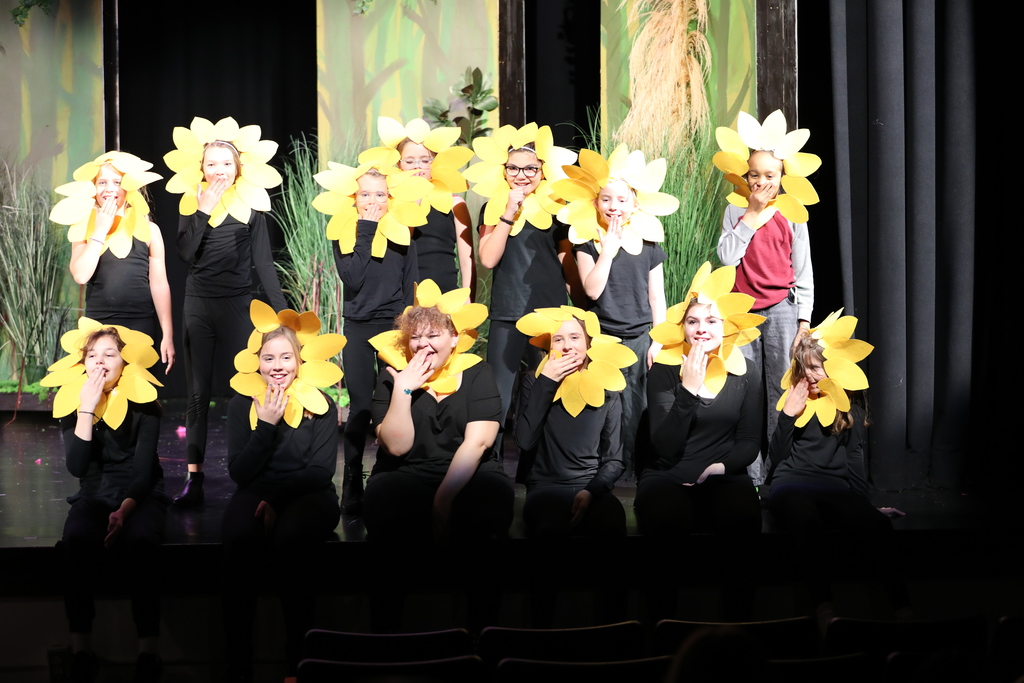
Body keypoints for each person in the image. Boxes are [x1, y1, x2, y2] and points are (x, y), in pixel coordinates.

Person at [164, 117, 289, 507]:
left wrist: (284, 318)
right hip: (199, 306)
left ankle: (251, 472)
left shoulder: (253, 207)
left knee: (246, 389)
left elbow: (264, 266)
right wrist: (203, 209)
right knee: (198, 394)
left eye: (226, 164)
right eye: (212, 164)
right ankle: (194, 478)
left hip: (238, 306)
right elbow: (185, 255)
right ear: (202, 168)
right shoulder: (191, 201)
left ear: (238, 169)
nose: (219, 170)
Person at [41, 320, 167, 683]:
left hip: (139, 495)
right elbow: (78, 467)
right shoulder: (72, 401)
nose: (100, 361)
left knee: (143, 542)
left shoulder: (145, 405)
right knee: (76, 542)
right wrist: (86, 409)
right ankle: (81, 650)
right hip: (95, 494)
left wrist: (125, 510)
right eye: (92, 355)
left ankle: (149, 654)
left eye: (109, 354)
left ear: (124, 363)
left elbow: (143, 472)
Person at [222, 304, 345, 679]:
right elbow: (239, 472)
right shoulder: (242, 403)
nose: (277, 365)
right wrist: (266, 427)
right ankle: (239, 664)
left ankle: (298, 664)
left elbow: (320, 471)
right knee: (239, 538)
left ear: (299, 361)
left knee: (293, 540)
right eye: (269, 357)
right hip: (257, 489)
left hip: (309, 494)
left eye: (286, 357)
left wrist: (275, 501)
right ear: (256, 362)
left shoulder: (319, 406)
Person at [637, 263, 765, 620]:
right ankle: (663, 626)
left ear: (726, 327)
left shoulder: (747, 371)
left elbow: (750, 440)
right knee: (666, 522)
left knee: (742, 518)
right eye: (693, 321)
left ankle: (736, 625)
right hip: (668, 474)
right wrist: (688, 391)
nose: (701, 329)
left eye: (711, 321)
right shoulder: (663, 368)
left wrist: (720, 468)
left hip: (722, 473)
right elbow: (664, 445)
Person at [767, 311, 910, 623]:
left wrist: (866, 506)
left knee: (877, 526)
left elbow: (854, 458)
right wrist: (787, 416)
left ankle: (902, 609)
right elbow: (775, 460)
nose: (811, 376)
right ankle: (824, 610)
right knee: (808, 523)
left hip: (833, 488)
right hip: (791, 484)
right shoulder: (794, 399)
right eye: (805, 370)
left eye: (817, 369)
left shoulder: (849, 407)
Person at [313, 158, 432, 514]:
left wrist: (409, 328)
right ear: (354, 197)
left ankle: (393, 471)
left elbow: (409, 278)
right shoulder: (344, 231)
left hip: (394, 327)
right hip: (359, 325)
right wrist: (365, 228)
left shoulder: (402, 229)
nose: (374, 200)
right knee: (361, 405)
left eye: (380, 194)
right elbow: (352, 280)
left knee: (397, 400)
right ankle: (352, 477)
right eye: (366, 193)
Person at [553, 143, 677, 476]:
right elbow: (591, 290)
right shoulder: (585, 241)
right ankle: (604, 471)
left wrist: (658, 339)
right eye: (607, 199)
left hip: (639, 338)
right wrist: (607, 251)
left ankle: (638, 474)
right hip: (603, 337)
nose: (614, 206)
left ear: (635, 204)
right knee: (606, 406)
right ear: (595, 202)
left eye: (622, 200)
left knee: (638, 407)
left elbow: (657, 297)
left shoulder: (649, 245)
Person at [714, 110, 821, 486]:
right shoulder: (734, 211)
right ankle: (751, 476)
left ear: (781, 178)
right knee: (747, 395)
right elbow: (727, 258)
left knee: (780, 392)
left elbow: (803, 272)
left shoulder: (793, 216)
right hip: (743, 314)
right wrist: (752, 214)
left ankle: (779, 473)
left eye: (769, 175)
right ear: (745, 177)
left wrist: (803, 322)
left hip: (781, 313)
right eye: (754, 174)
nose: (761, 181)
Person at [362, 279, 510, 542]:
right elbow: (396, 447)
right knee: (384, 504)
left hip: (469, 472)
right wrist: (403, 389)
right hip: (405, 472)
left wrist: (443, 497)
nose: (423, 344)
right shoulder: (392, 375)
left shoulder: (478, 373)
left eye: (433, 336)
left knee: (491, 501)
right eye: (416, 337)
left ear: (454, 338)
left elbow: (479, 442)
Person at [464, 123, 580, 445]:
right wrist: (508, 212)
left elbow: (566, 264)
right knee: (498, 394)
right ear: (504, 171)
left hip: (550, 316)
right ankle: (491, 464)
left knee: (544, 390)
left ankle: (538, 471)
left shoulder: (558, 209)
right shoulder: (494, 206)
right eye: (513, 168)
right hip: (507, 312)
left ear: (543, 171)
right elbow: (487, 259)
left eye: (530, 168)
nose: (522, 174)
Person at [514, 306, 635, 539]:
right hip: (545, 489)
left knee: (610, 525)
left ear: (589, 343)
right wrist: (547, 383)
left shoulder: (607, 389)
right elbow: (525, 442)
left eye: (575, 337)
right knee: (550, 530)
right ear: (548, 347)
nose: (567, 346)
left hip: (591, 487)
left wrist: (591, 491)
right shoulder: (534, 384)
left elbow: (615, 460)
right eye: (558, 339)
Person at [51, 151, 175, 373]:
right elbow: (81, 275)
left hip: (139, 323)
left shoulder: (150, 230)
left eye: (117, 182)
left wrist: (168, 334)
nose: (109, 188)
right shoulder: (83, 230)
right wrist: (100, 230)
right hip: (98, 325)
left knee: (138, 391)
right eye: (102, 182)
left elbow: (159, 284)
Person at [363, 116, 475, 295]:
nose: (418, 167)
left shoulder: (454, 203)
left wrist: (467, 298)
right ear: (399, 164)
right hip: (399, 294)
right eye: (409, 161)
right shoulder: (388, 202)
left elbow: (467, 260)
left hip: (442, 293)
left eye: (425, 160)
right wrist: (412, 200)